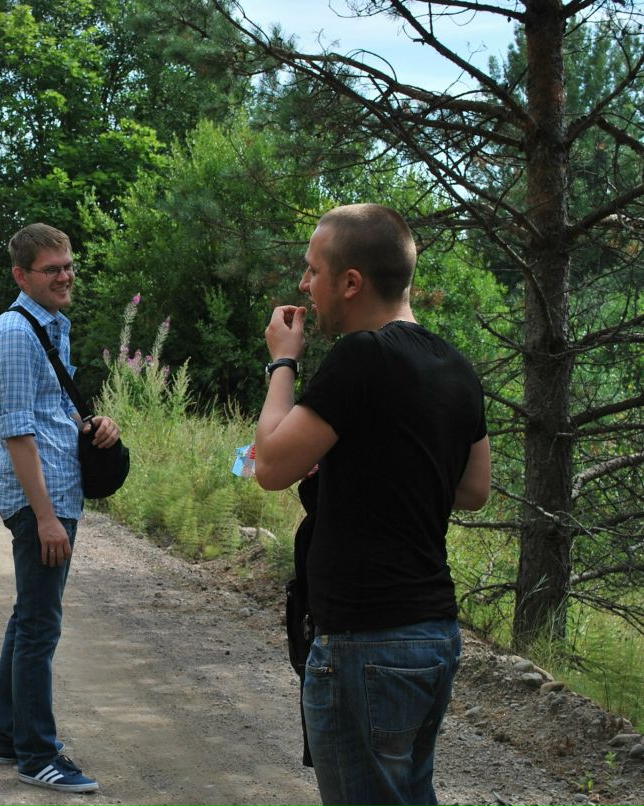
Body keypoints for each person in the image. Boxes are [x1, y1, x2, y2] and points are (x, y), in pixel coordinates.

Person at [253, 204, 491, 806]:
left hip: (368, 641)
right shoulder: (455, 365)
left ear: (351, 281)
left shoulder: (361, 356)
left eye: (312, 271)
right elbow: (472, 489)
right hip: (433, 633)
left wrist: (284, 360)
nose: (304, 285)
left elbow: (270, 465)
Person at [0, 223, 120, 793]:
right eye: (51, 268)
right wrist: (43, 516)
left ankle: (12, 735)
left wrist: (95, 424)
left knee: (28, 619)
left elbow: (49, 410)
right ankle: (37, 754)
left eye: (68, 265)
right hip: (43, 502)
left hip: (59, 493)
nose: (65, 276)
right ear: (21, 275)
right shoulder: (15, 333)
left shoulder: (48, 327)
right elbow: (18, 432)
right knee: (40, 627)